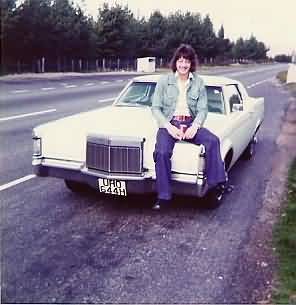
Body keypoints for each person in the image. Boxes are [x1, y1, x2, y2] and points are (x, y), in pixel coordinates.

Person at [151, 44, 227, 210]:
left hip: (190, 123)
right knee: (162, 152)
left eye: (186, 61)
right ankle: (163, 196)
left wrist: (195, 126)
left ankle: (217, 185)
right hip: (169, 124)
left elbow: (203, 109)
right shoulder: (164, 81)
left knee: (213, 141)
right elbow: (155, 108)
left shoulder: (199, 83)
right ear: (175, 62)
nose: (183, 65)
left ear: (191, 63)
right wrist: (168, 127)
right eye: (180, 60)